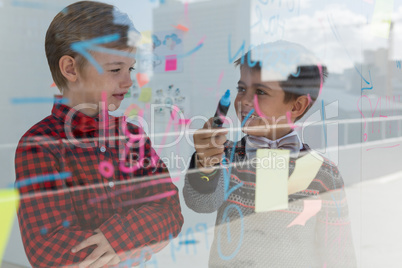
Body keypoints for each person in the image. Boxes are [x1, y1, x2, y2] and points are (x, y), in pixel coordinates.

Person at [14, 1, 183, 267]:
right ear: (70, 69)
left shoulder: (133, 136)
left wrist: (120, 239)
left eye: (130, 69)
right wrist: (137, 242)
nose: (128, 81)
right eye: (115, 69)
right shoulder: (39, 145)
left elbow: (171, 213)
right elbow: (47, 251)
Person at [183, 41, 356, 267]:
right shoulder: (226, 155)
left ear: (296, 106)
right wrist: (205, 163)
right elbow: (202, 203)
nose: (243, 101)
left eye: (260, 92)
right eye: (241, 89)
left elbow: (338, 252)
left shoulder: (325, 174)